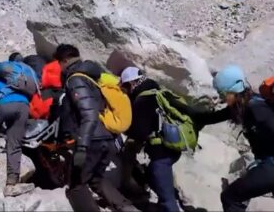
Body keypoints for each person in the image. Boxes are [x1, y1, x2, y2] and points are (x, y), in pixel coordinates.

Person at [176, 65, 274, 212]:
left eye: (222, 93)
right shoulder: (240, 106)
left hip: (271, 164)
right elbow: (206, 118)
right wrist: (174, 102)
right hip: (267, 163)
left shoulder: (255, 108)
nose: (221, 98)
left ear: (233, 90)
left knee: (230, 197)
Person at [57, 44, 137, 212]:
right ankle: (127, 208)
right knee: (96, 179)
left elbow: (89, 114)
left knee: (76, 186)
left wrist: (82, 147)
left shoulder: (75, 79)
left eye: (59, 63)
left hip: (91, 140)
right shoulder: (93, 78)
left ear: (64, 61)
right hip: (106, 139)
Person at [120, 66, 181, 212]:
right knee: (157, 180)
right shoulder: (157, 91)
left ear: (131, 83)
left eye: (125, 87)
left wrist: (125, 128)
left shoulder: (142, 100)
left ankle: (135, 190)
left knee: (167, 199)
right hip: (172, 145)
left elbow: (140, 131)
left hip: (160, 152)